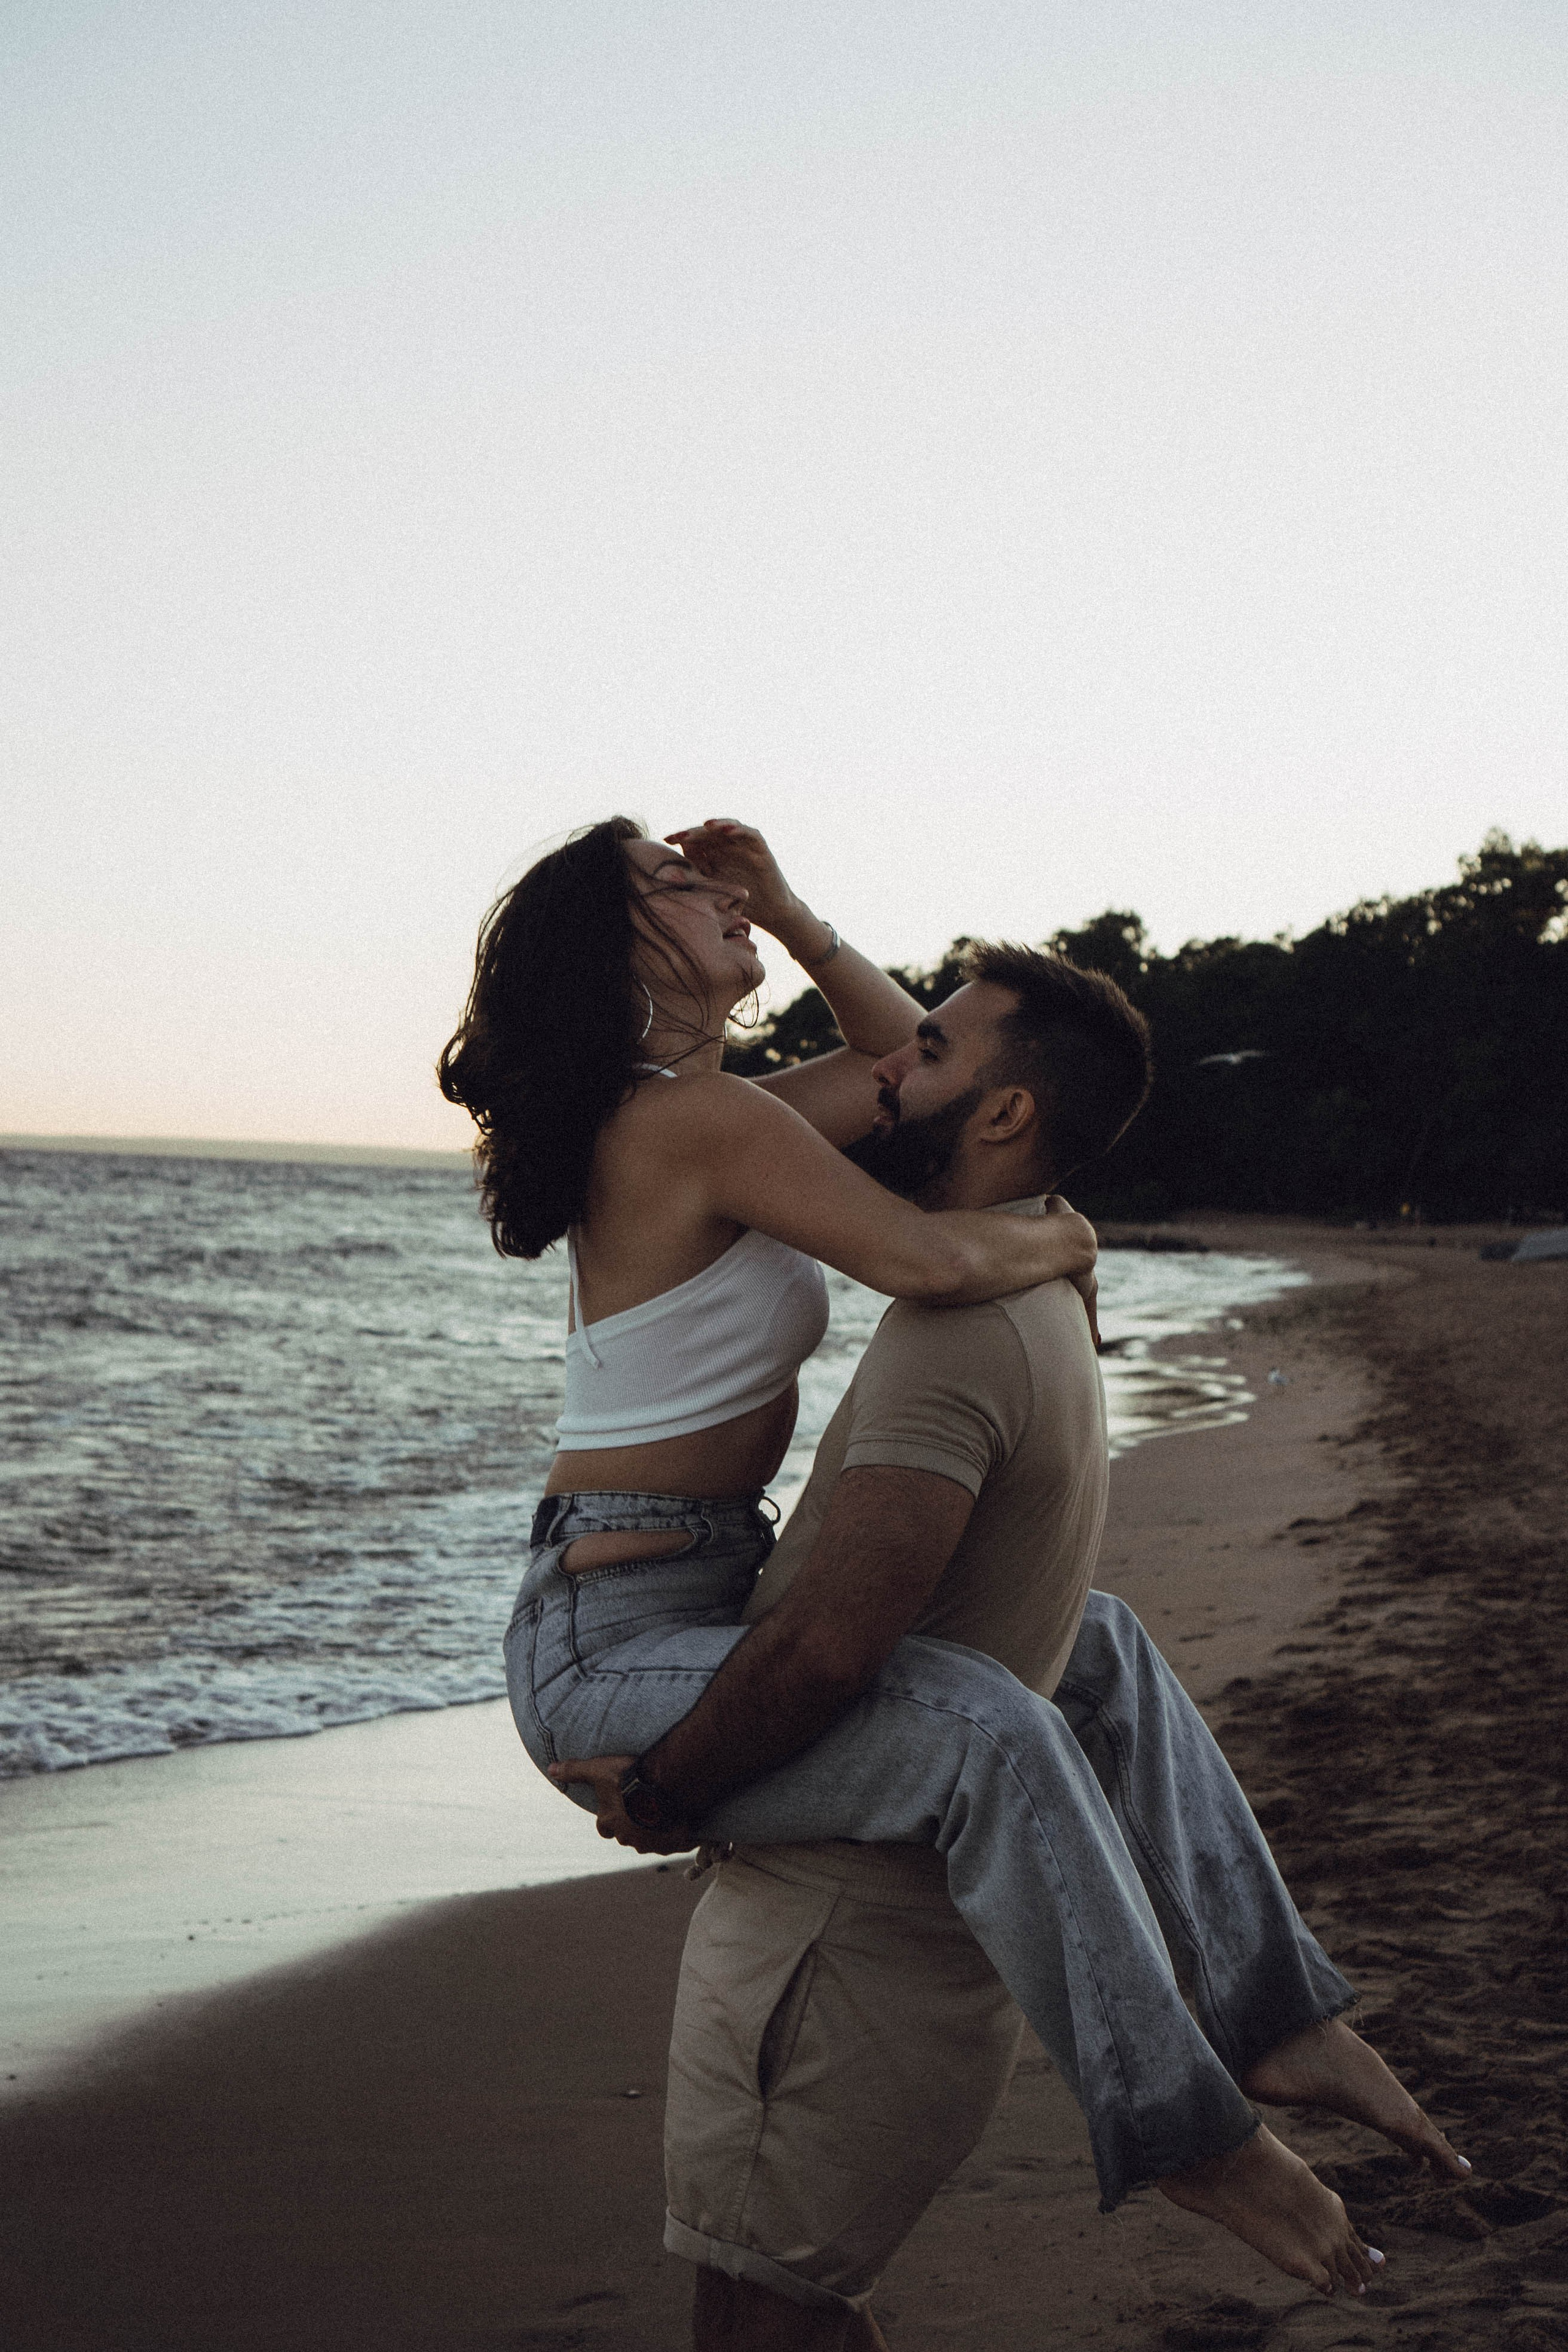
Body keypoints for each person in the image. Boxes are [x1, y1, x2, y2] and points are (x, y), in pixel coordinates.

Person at [439, 819, 1379, 2301]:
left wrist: (789, 911)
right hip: (605, 1644)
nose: (710, 890)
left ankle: (1270, 2013)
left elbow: (916, 1072)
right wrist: (1067, 1244)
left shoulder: (726, 1113)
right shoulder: (686, 1121)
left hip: (698, 1589)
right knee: (987, 1727)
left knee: (1092, 1643)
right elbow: (930, 1255)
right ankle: (1185, 2128)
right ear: (615, 952)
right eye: (674, 887)